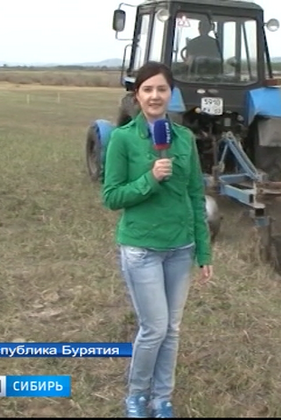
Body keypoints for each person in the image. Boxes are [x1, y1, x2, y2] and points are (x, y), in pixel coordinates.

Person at [102, 60, 214, 418]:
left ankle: (162, 398)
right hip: (141, 249)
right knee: (154, 328)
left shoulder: (184, 139)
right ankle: (137, 395)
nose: (154, 95)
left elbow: (196, 196)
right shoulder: (122, 139)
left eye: (161, 89)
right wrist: (149, 178)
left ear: (171, 94)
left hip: (180, 250)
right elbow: (112, 197)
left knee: (173, 329)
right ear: (137, 95)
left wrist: (203, 250)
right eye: (147, 89)